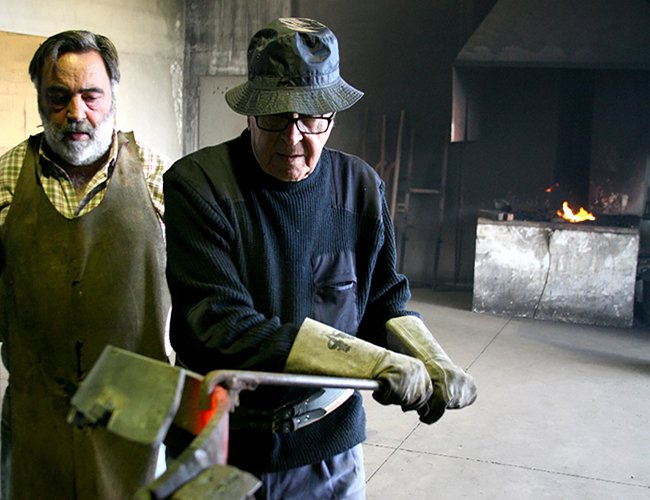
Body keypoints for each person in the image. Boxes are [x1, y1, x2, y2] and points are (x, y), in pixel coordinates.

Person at [164, 17, 477, 499]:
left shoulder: (360, 188)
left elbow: (384, 298)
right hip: (217, 449)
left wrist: (432, 357)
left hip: (328, 455)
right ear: (249, 112)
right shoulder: (199, 186)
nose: (293, 139)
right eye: (274, 117)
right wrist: (371, 363)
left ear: (331, 116)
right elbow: (220, 325)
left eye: (311, 119)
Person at [0, 30, 171, 499]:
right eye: (58, 98)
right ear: (39, 98)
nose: (76, 114)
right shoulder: (6, 179)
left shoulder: (158, 178)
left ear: (113, 95)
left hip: (136, 414)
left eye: (91, 96)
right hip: (37, 412)